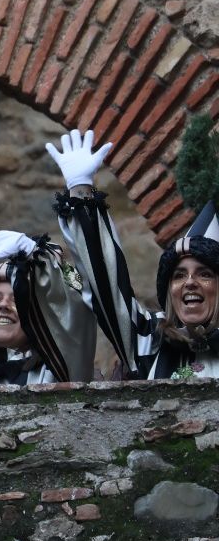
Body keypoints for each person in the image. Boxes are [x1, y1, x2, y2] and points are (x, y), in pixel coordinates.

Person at [52, 127, 219, 379]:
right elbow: (108, 289)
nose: (190, 283)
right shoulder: (148, 341)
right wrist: (81, 192)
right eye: (178, 275)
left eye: (204, 274)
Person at [0, 230, 97, 386]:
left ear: (36, 319)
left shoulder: (60, 367)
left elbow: (77, 310)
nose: (3, 305)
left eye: (16, 300)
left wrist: (39, 258)